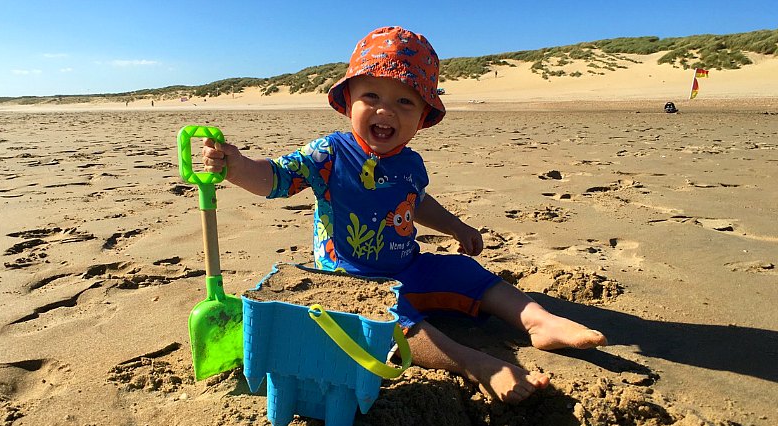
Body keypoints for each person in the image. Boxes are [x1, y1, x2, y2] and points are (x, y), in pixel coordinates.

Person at [201, 26, 607, 404]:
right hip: (350, 280)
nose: (385, 111)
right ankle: (476, 363)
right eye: (371, 97)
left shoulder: (410, 163)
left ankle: (539, 321)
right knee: (393, 326)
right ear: (348, 103)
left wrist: (454, 226)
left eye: (404, 101)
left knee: (470, 275)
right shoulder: (329, 153)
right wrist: (236, 167)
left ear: (422, 117)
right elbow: (275, 178)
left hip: (407, 266)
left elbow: (417, 203)